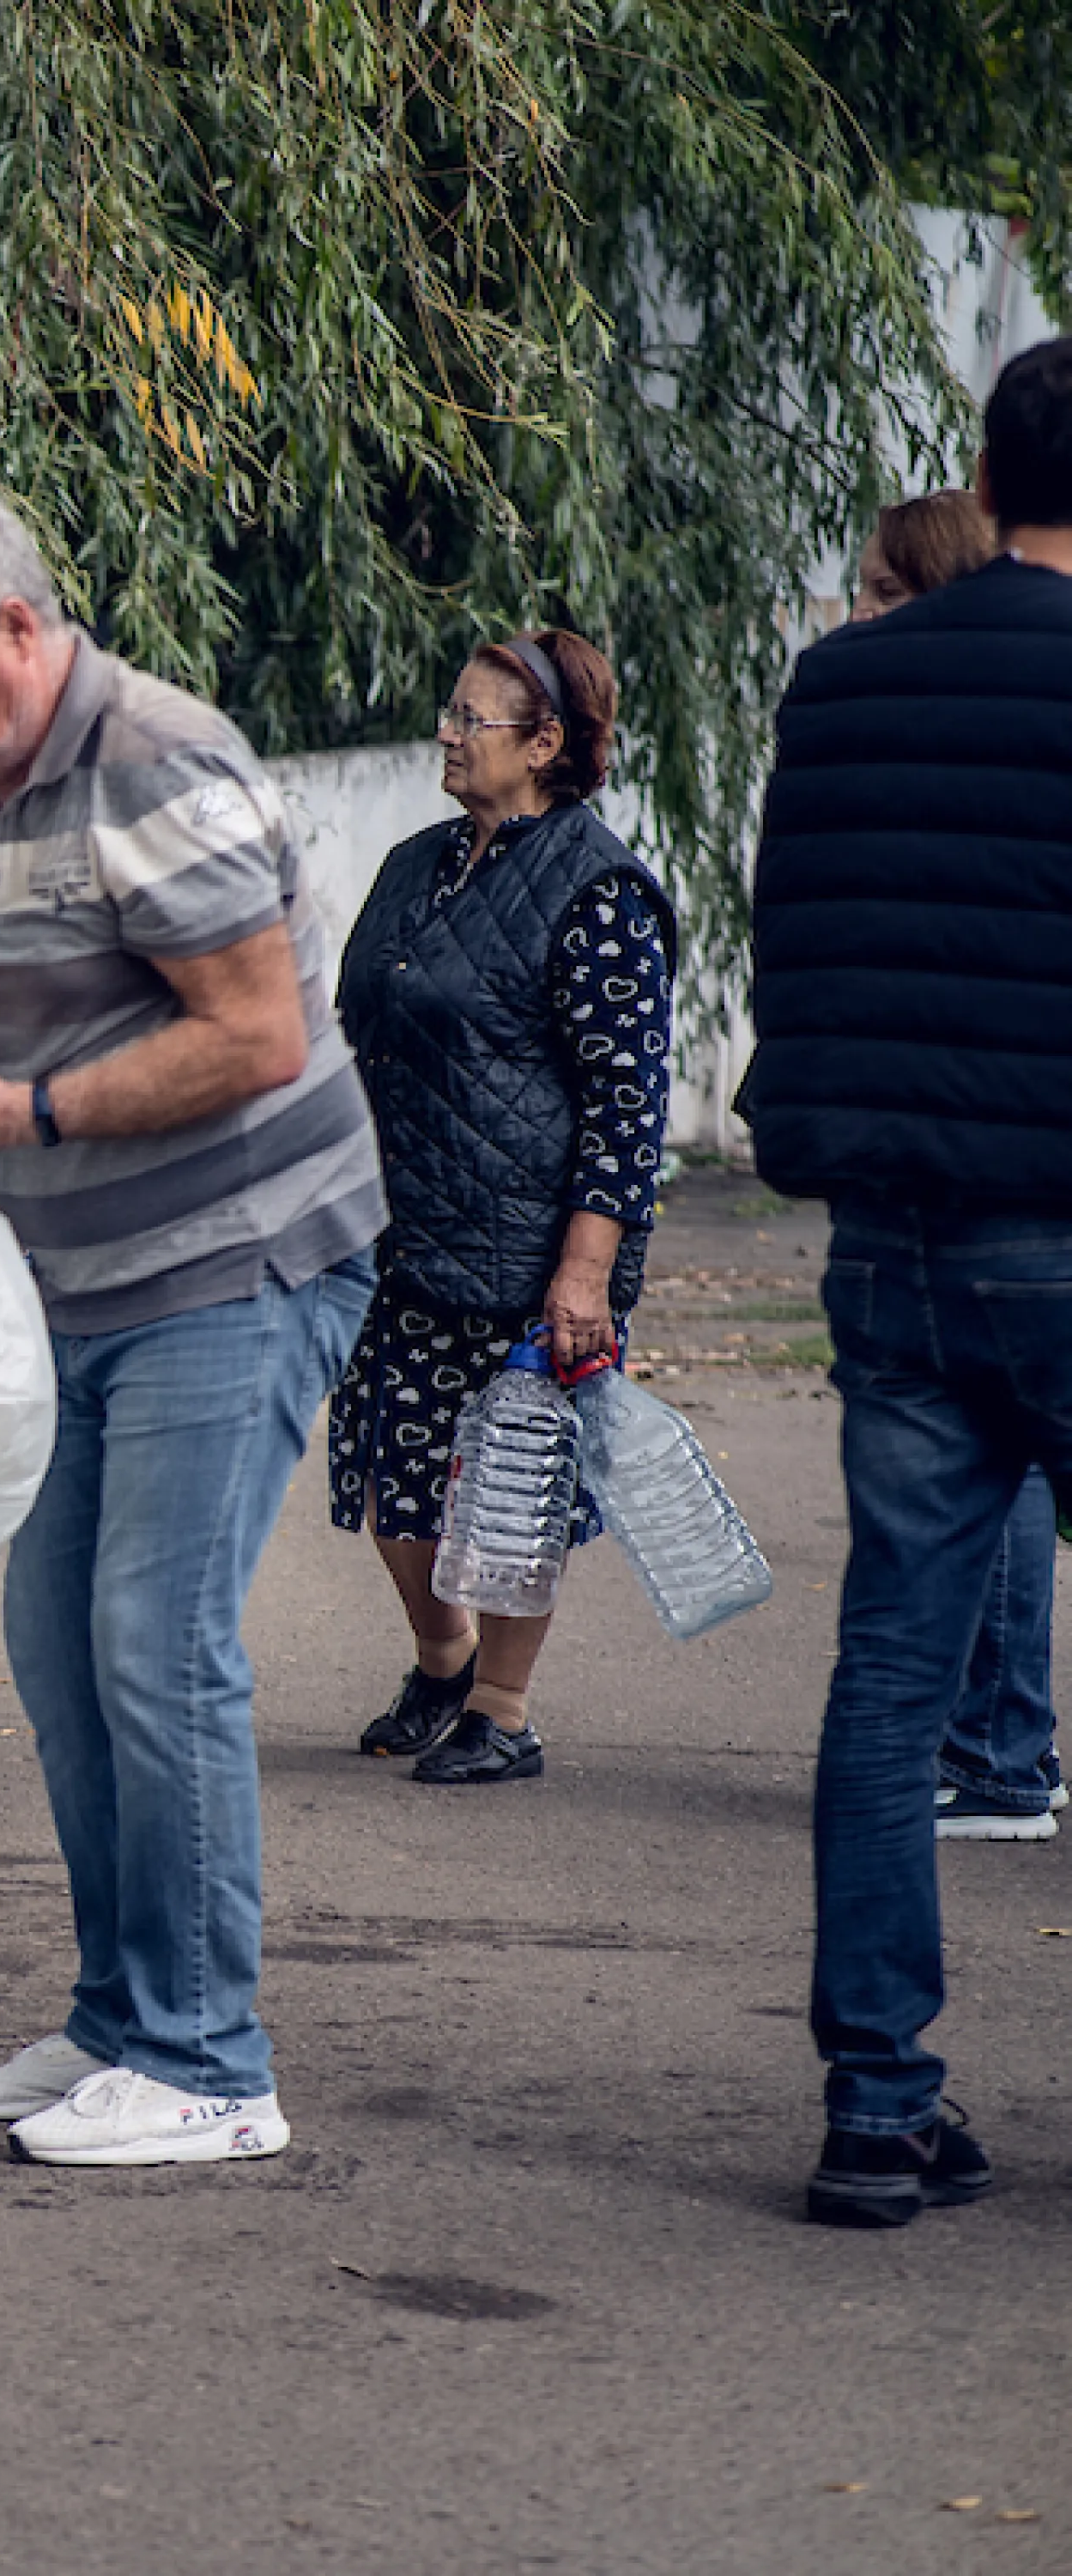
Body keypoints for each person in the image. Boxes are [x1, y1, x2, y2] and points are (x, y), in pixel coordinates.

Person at [0, 489, 384, 2169]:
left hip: (239, 1254)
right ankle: (117, 2020)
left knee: (159, 1648)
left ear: (17, 628)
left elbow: (257, 1035)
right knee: (62, 1664)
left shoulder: (155, 757)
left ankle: (215, 2065)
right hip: (67, 1279)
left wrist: (32, 1114)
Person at [743, 338, 1072, 2227]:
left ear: (987, 467)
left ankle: (877, 2105)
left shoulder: (843, 681)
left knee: (887, 1680)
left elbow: (804, 933)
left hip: (893, 1239)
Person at [327, 628, 671, 1787]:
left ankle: (505, 1709)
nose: (447, 732)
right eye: (451, 710)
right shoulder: (420, 861)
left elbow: (630, 1101)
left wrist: (586, 1271)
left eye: (472, 719)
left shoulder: (598, 888)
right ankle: (444, 1661)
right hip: (399, 1230)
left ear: (545, 744)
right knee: (391, 1482)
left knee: (516, 1487)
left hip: (529, 1250)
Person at [845, 487, 1066, 1847]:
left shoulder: (911, 735)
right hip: (991, 1162)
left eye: (876, 592)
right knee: (1012, 1480)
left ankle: (992, 1751)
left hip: (962, 1174)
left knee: (966, 1491)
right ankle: (999, 1747)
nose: (858, 616)